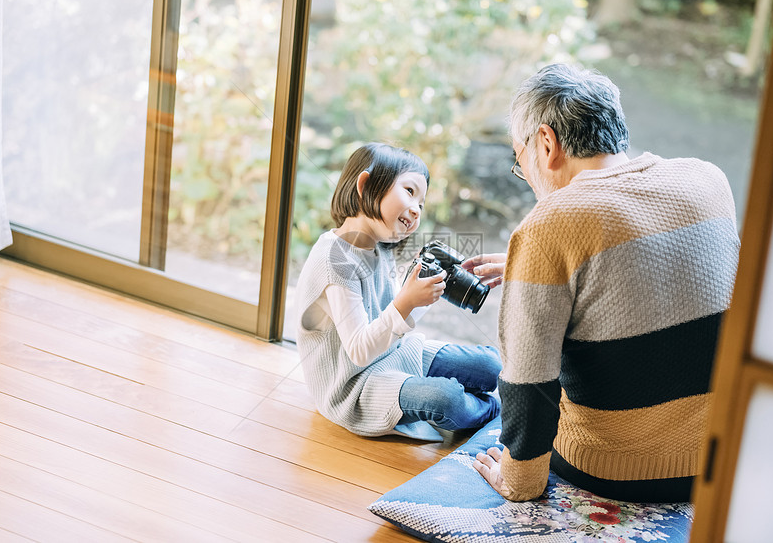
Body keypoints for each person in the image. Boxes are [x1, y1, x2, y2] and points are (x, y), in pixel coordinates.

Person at [469, 63, 740, 503]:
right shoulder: (707, 179)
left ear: (546, 143)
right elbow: (662, 272)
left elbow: (529, 381)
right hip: (720, 456)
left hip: (616, 468)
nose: (528, 175)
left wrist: (519, 480)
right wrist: (539, 269)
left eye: (521, 161)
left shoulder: (550, 225)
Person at [294, 142, 501, 441]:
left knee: (490, 365)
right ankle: (493, 411)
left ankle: (479, 409)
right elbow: (360, 351)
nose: (416, 209)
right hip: (355, 384)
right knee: (447, 400)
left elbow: (393, 320)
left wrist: (430, 288)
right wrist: (405, 302)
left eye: (422, 203)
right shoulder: (334, 259)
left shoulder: (378, 247)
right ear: (365, 185)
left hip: (395, 353)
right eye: (409, 191)